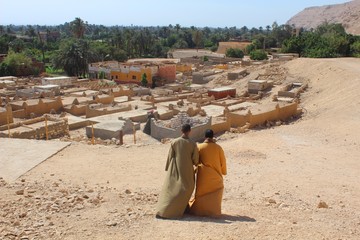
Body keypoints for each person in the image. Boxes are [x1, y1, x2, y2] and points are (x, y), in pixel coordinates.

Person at [156, 124, 199, 219]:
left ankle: (165, 209)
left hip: (175, 168)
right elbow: (195, 159)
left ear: (181, 131)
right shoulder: (192, 144)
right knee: (187, 188)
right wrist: (196, 164)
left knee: (172, 189)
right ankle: (178, 209)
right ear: (190, 131)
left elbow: (170, 156)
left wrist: (168, 168)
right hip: (187, 170)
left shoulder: (174, 142)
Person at [190, 129, 227, 216]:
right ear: (212, 136)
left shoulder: (199, 147)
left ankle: (199, 211)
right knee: (215, 193)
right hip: (216, 175)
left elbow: (195, 161)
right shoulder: (218, 148)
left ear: (205, 136)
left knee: (201, 193)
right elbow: (223, 161)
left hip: (203, 176)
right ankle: (213, 211)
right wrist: (223, 171)